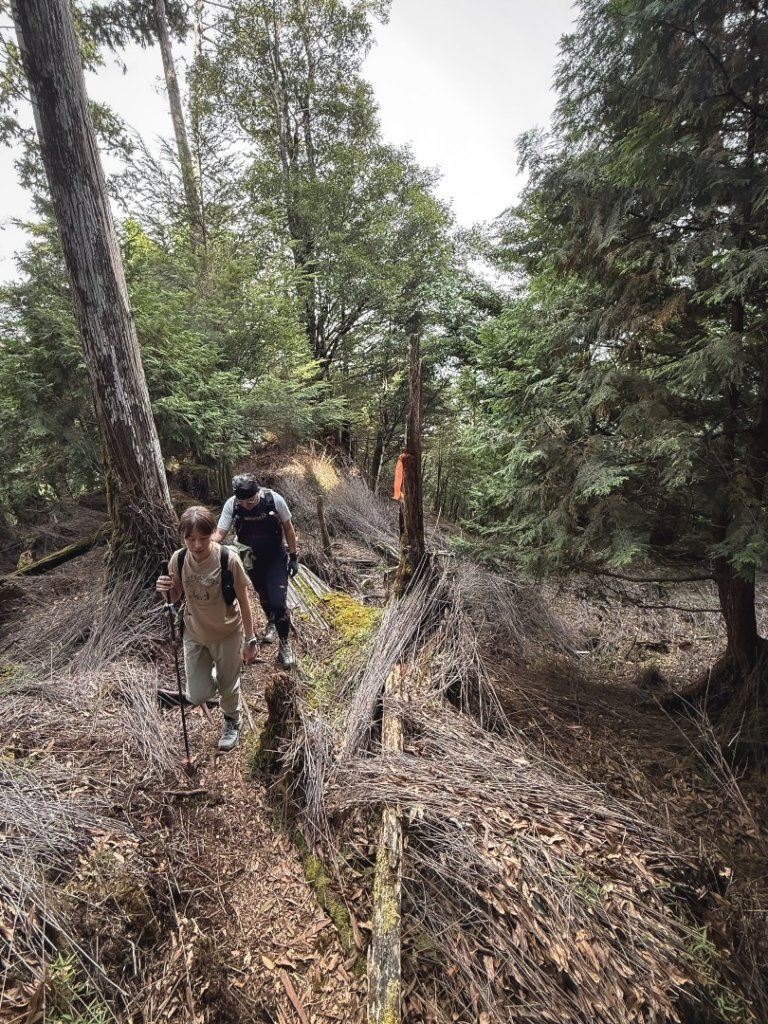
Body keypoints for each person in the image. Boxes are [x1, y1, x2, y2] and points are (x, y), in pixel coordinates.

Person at [156, 505, 258, 752]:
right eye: (190, 539)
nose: (197, 545)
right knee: (197, 695)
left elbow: (244, 602)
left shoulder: (228, 559)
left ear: (214, 532)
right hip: (195, 633)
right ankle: (215, 678)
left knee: (228, 686)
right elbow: (175, 598)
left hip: (227, 633)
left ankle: (232, 720)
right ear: (183, 538)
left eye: (203, 538)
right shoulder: (178, 559)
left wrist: (250, 639)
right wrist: (165, 590)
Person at [212, 473, 299, 669]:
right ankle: (271, 622)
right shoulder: (232, 505)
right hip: (250, 558)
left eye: (251, 500)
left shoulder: (273, 500)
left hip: (276, 557)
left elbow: (289, 528)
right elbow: (220, 533)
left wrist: (294, 558)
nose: (248, 504)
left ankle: (284, 645)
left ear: (258, 492)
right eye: (244, 501)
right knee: (264, 596)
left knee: (278, 601)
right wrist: (201, 545)